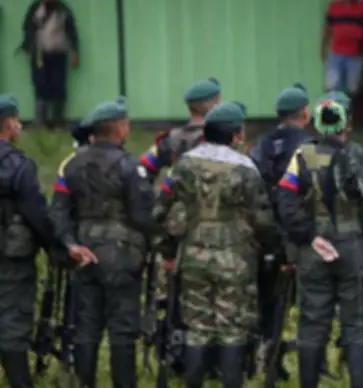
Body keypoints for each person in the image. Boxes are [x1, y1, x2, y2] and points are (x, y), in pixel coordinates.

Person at [276, 98, 363, 388]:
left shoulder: (302, 156)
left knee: (312, 325)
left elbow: (286, 204)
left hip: (315, 249)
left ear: (315, 123)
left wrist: (308, 236)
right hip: (355, 248)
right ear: (347, 123)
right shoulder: (360, 157)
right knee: (359, 327)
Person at [153, 101, 277, 388]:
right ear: (235, 134)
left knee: (197, 329)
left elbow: (160, 210)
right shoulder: (246, 168)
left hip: (194, 257)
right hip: (236, 260)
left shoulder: (184, 164)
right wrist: (273, 250)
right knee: (233, 331)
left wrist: (168, 252)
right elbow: (263, 220)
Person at [49, 97, 158, 388]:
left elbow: (58, 212)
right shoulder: (130, 166)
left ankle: (86, 383)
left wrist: (71, 245)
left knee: (86, 327)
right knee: (123, 330)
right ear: (120, 128)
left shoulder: (70, 166)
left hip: (84, 255)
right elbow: (143, 215)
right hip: (123, 258)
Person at [0, 95, 77, 388]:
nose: (20, 126)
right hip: (11, 260)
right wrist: (57, 248)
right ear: (8, 124)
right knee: (12, 324)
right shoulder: (19, 166)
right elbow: (38, 215)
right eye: (17, 120)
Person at [247, 84, 314, 382]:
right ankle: (286, 360)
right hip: (299, 233)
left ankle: (260, 356)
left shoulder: (261, 144)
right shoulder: (311, 144)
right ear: (305, 113)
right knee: (303, 302)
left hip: (263, 234)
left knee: (265, 299)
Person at [139, 77, 222, 183]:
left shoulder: (169, 139)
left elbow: (143, 169)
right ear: (215, 105)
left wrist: (149, 196)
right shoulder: (220, 139)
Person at [19, 0, 79, 128]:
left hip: (58, 54)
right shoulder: (36, 8)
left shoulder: (63, 9)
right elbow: (27, 27)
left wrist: (75, 51)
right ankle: (41, 122)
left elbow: (71, 31)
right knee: (41, 85)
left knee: (58, 86)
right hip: (39, 55)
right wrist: (29, 45)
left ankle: (58, 121)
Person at [321, 0, 363, 97]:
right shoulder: (334, 7)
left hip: (355, 53)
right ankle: (333, 110)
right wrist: (323, 48)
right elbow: (327, 29)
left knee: (354, 89)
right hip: (336, 53)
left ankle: (350, 111)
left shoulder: (362, 7)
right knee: (332, 87)